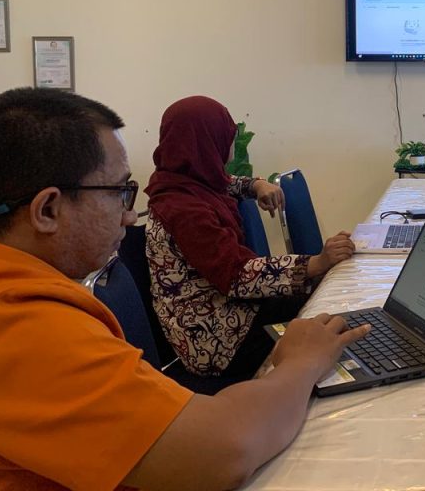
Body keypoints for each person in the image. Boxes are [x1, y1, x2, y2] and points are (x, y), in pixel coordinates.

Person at [0, 88, 370, 489]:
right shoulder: (16, 327)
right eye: (119, 192)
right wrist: (302, 361)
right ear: (48, 210)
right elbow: (224, 449)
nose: (131, 217)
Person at [146, 96, 355, 378]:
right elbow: (237, 275)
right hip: (215, 338)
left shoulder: (182, 180)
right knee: (329, 320)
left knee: (328, 305)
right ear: (207, 142)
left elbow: (225, 183)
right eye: (227, 135)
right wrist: (315, 263)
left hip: (225, 309)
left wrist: (256, 185)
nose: (232, 142)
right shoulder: (185, 210)